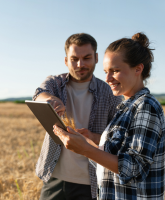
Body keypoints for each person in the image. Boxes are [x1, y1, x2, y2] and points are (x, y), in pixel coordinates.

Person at [53, 32, 165, 200]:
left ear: (138, 69)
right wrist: (85, 143)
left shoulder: (146, 106)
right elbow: (111, 162)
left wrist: (86, 149)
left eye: (115, 71)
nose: (107, 78)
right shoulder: (124, 108)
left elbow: (135, 169)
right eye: (106, 71)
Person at [33, 33, 122, 200]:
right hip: (55, 177)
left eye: (87, 58)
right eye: (74, 59)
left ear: (96, 58)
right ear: (66, 61)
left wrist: (94, 137)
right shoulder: (55, 83)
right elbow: (39, 94)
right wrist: (51, 99)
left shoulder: (110, 93)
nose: (80, 64)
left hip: (93, 182)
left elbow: (118, 139)